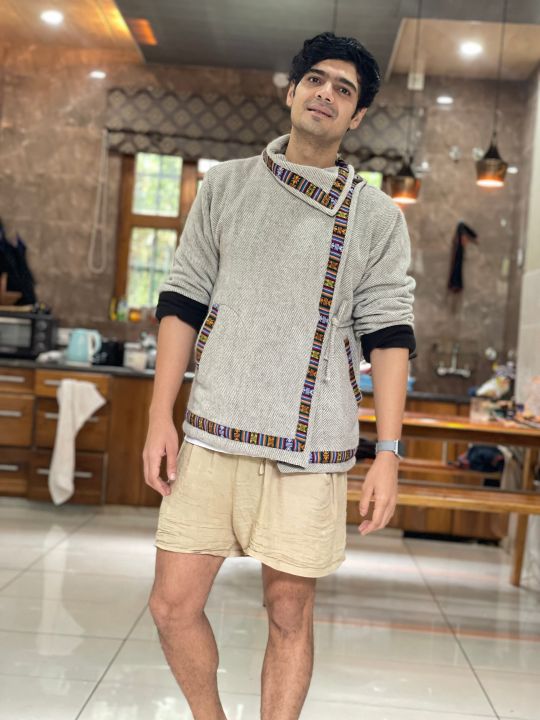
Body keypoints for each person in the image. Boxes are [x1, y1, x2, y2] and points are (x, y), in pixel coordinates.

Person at [144, 31, 416, 720]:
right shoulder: (225, 185)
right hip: (213, 428)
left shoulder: (377, 215)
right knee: (172, 605)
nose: (326, 93)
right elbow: (182, 300)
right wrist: (158, 416)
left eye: (344, 90)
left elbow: (389, 335)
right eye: (315, 80)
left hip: (309, 445)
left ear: (357, 116)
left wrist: (388, 453)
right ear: (291, 92)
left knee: (289, 612)